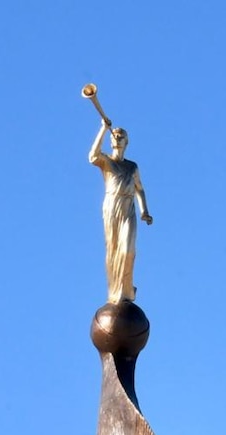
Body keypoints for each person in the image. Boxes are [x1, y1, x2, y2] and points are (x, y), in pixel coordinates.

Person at [89, 121, 153, 304]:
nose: (117, 138)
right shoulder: (106, 161)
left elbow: (139, 188)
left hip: (128, 206)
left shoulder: (132, 167)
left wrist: (144, 211)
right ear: (111, 141)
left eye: (121, 136)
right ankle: (115, 290)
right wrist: (102, 128)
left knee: (128, 250)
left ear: (127, 142)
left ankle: (127, 287)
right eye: (114, 136)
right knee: (113, 249)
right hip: (112, 205)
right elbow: (92, 156)